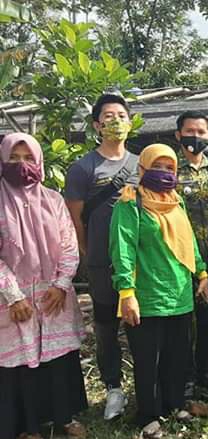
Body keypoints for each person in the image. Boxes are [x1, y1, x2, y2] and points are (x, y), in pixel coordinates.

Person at [110, 144, 208, 438]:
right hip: (147, 296)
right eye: (158, 167)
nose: (164, 173)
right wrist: (127, 293)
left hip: (179, 295)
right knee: (147, 360)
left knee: (176, 356)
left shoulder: (175, 202)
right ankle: (148, 415)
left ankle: (174, 403)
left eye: (169, 168)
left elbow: (189, 242)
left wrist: (202, 272)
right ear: (142, 168)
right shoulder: (130, 204)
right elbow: (122, 250)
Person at [0, 133, 88, 439]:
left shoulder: (53, 199)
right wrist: (13, 296)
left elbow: (69, 245)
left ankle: (64, 416)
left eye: (27, 158)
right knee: (19, 364)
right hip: (12, 300)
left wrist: (62, 284)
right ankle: (28, 426)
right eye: (14, 158)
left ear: (38, 161)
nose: (21, 165)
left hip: (54, 296)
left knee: (59, 358)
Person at [65, 93, 138, 420]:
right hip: (101, 263)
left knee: (142, 323)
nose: (116, 121)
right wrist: (88, 254)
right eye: (108, 116)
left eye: (122, 115)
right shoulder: (83, 168)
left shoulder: (141, 163)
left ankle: (147, 385)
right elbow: (75, 219)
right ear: (96, 124)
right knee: (107, 327)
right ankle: (113, 388)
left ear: (130, 121)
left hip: (140, 263)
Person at [174, 111, 208, 397]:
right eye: (189, 131)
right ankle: (184, 377)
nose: (196, 136)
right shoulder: (169, 168)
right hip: (177, 261)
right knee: (183, 321)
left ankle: (205, 369)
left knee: (207, 318)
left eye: (201, 131)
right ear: (178, 135)